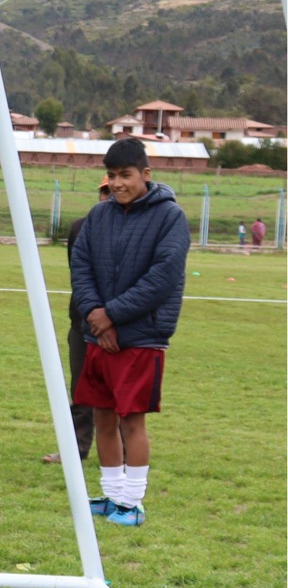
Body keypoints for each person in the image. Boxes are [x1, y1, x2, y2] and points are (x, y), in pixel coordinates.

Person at [68, 137, 189, 527]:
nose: (118, 183)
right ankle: (111, 494)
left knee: (132, 421)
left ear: (146, 175)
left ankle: (133, 503)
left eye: (126, 175)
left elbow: (163, 277)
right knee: (102, 417)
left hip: (141, 337)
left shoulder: (170, 217)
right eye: (112, 176)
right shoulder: (98, 216)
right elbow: (81, 267)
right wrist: (94, 314)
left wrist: (114, 316)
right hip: (98, 335)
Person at [44, 180, 110, 466]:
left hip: (122, 322)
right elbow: (80, 275)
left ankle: (119, 453)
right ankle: (75, 450)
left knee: (118, 389)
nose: (109, 195)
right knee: (81, 387)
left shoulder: (137, 230)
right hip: (83, 321)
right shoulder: (81, 228)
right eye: (105, 190)